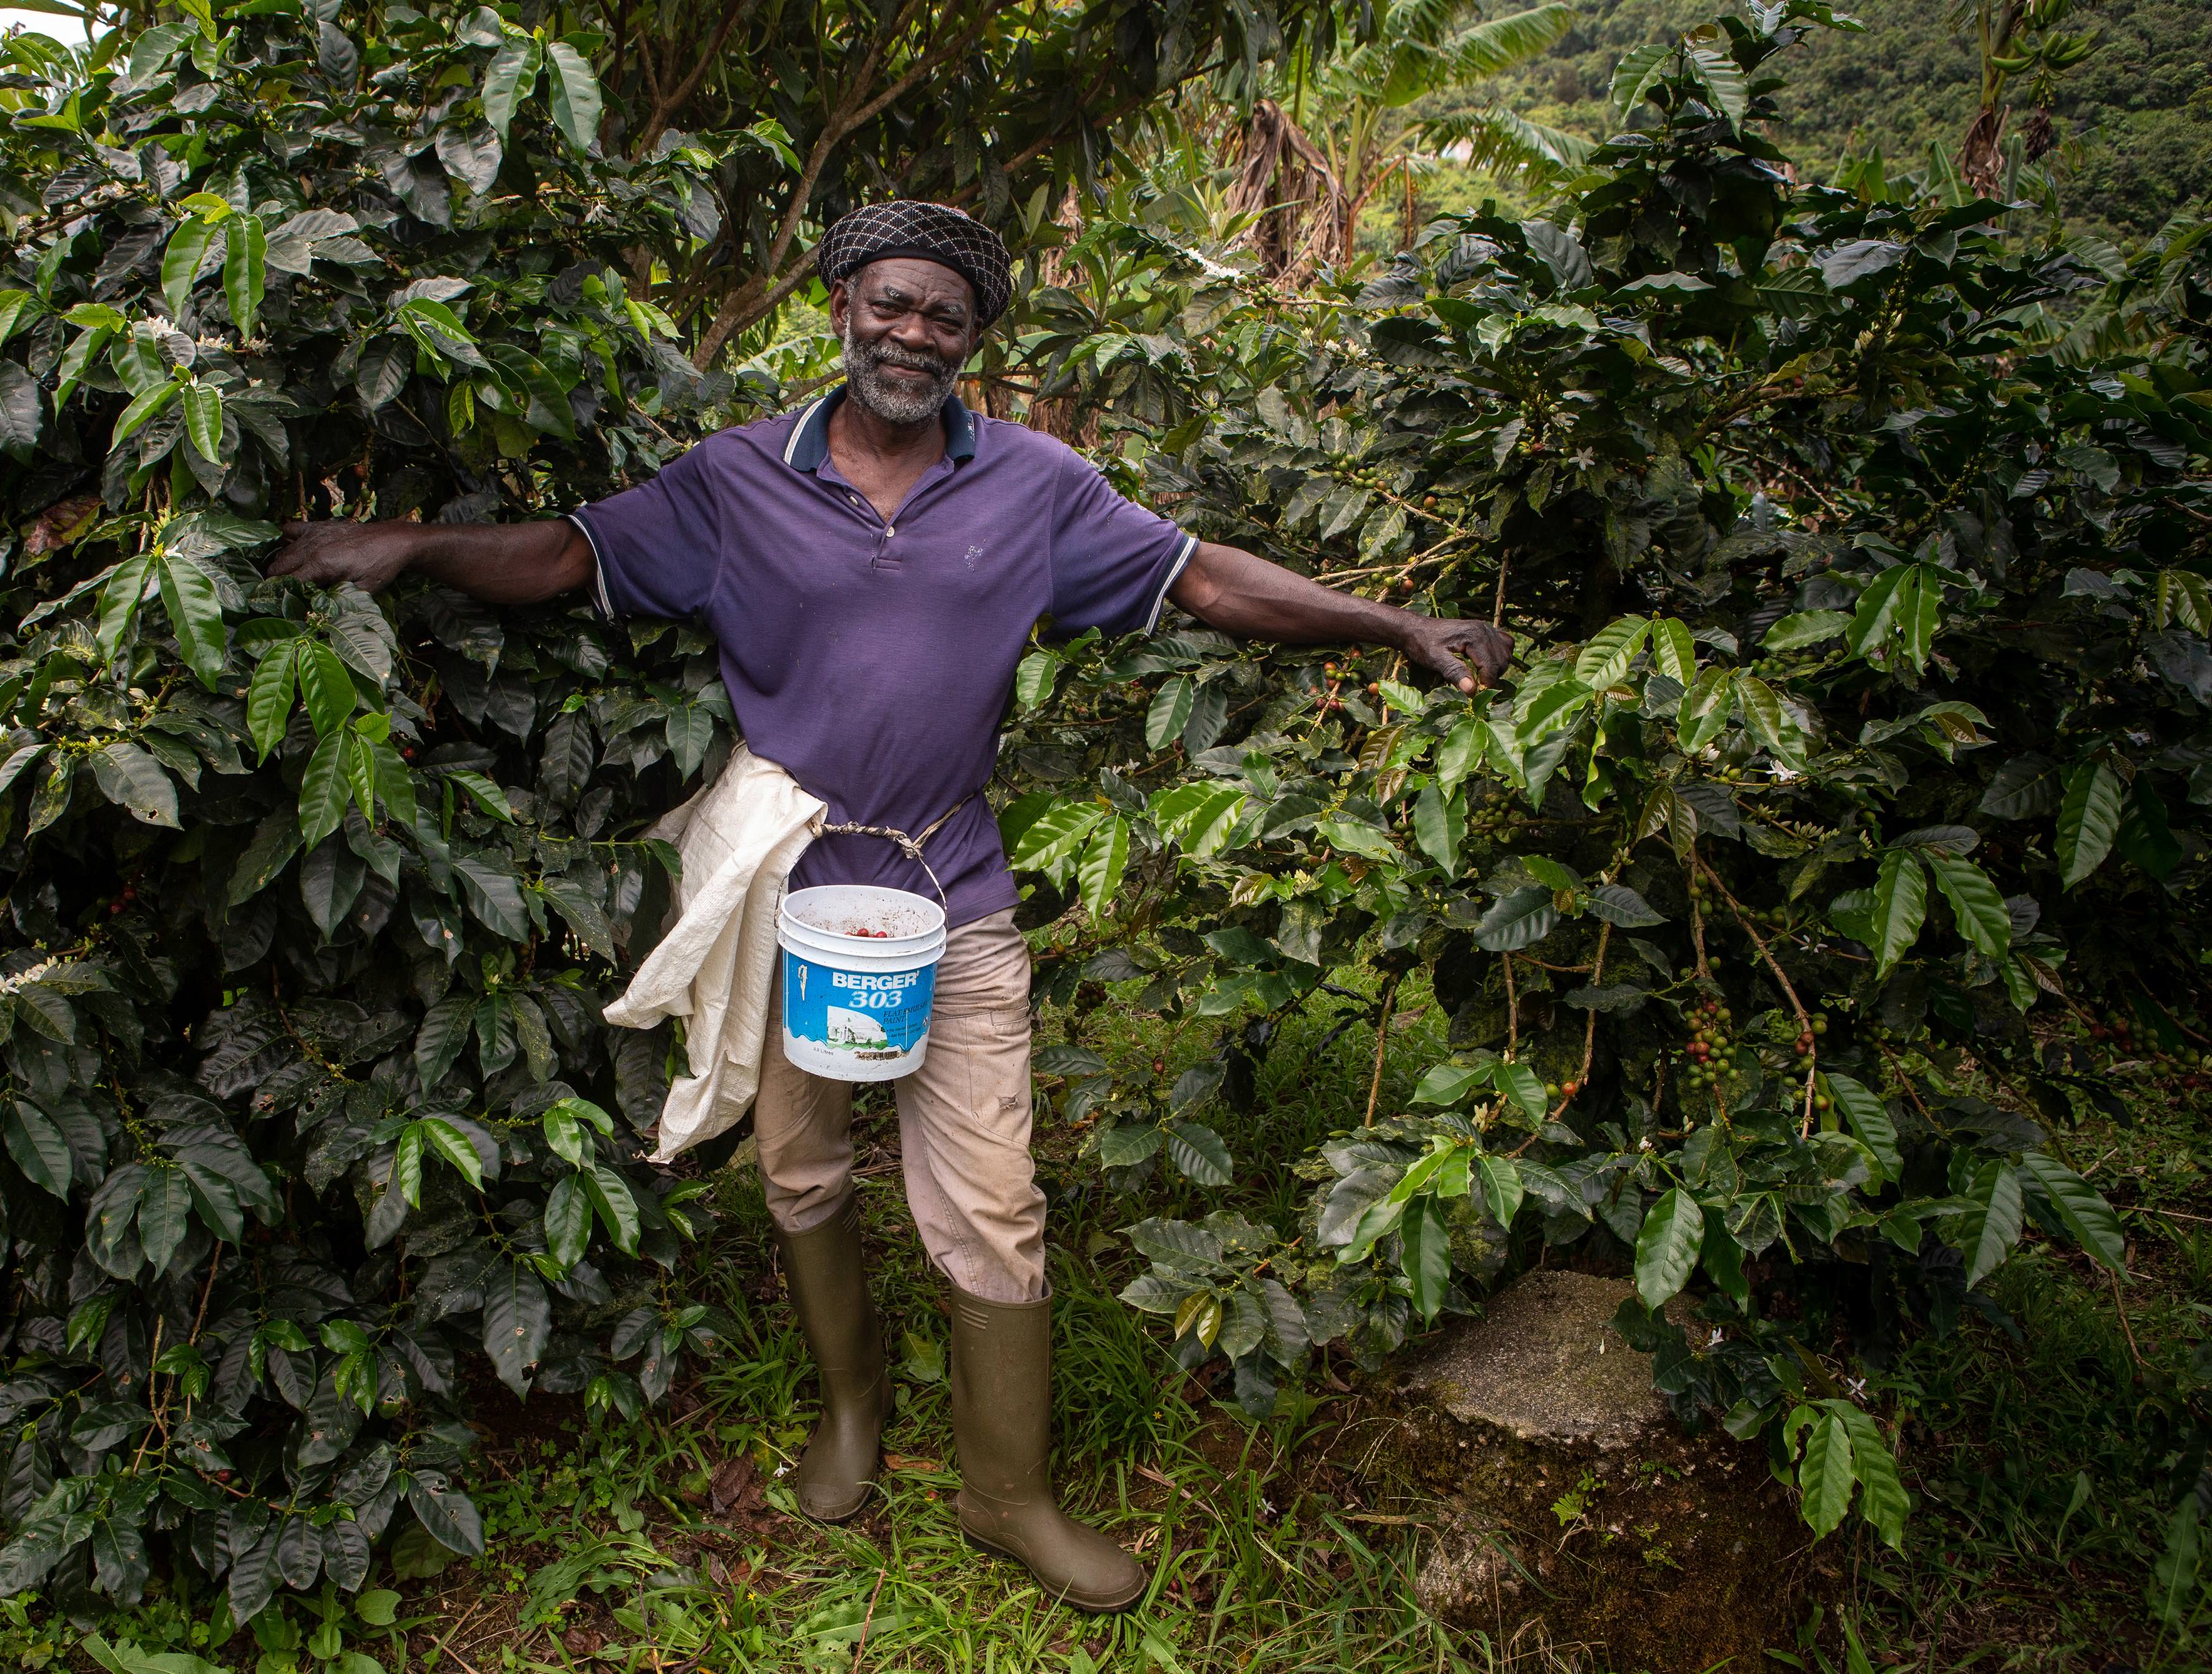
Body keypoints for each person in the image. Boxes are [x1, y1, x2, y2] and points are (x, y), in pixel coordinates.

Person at [272, 201, 1511, 1612]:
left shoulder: (1034, 484)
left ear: (974, 339)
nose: (912, 333)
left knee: (992, 1196)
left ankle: (1008, 1494)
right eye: (891, 303)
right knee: (800, 1168)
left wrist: (1395, 623)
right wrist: (410, 545)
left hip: (950, 886)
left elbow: (1200, 578)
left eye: (945, 314)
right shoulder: (736, 479)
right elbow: (566, 557)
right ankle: (851, 1410)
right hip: (795, 894)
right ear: (843, 305)